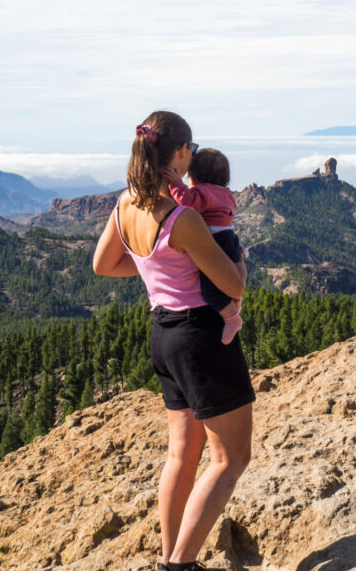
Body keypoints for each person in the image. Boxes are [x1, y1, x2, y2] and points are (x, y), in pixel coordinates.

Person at [93, 110, 254, 571]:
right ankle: (179, 565)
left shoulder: (125, 205)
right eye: (190, 149)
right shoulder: (181, 218)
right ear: (181, 153)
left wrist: (152, 266)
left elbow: (104, 264)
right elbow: (233, 285)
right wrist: (240, 260)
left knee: (181, 454)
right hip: (201, 339)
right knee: (230, 459)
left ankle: (170, 556)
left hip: (162, 335)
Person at [162, 147, 244, 346]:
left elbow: (186, 201)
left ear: (195, 177)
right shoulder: (225, 194)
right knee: (232, 275)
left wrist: (175, 183)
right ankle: (236, 301)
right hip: (229, 239)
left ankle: (232, 318)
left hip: (216, 241)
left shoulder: (204, 192)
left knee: (209, 287)